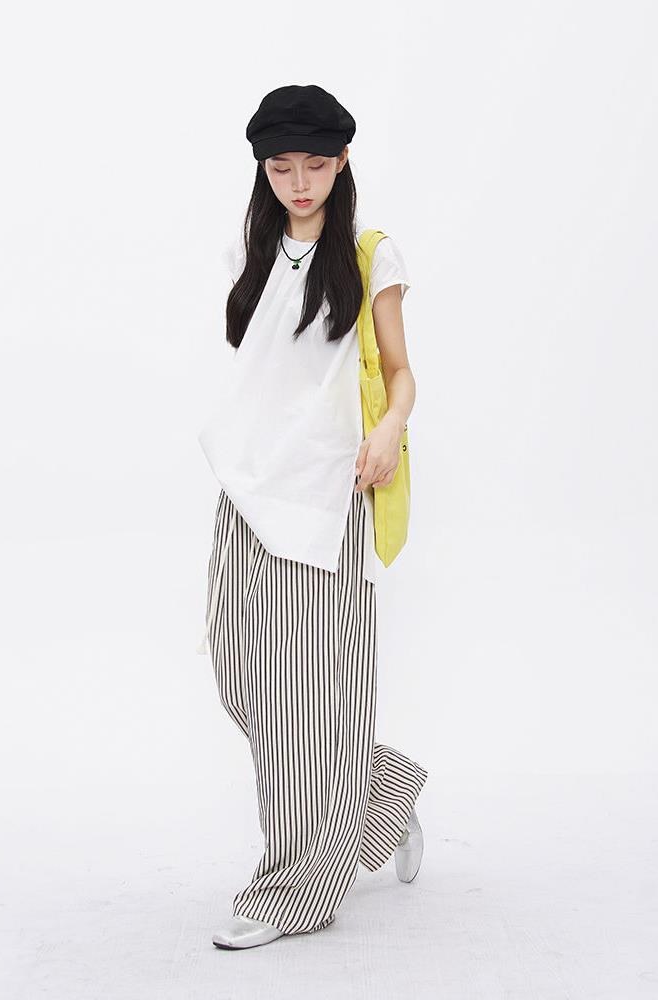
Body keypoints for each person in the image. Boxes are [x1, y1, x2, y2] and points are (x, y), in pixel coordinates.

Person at [195, 84, 429, 951]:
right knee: (242, 674)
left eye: (317, 165)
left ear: (342, 163)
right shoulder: (248, 249)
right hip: (246, 484)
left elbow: (399, 370)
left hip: (328, 492)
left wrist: (390, 429)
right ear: (263, 168)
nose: (300, 183)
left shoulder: (369, 253)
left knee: (304, 698)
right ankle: (378, 798)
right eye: (282, 167)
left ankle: (297, 887)